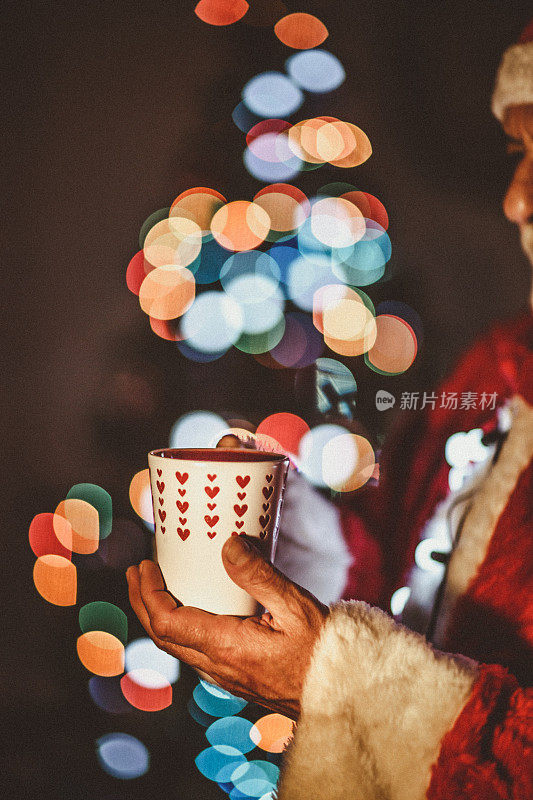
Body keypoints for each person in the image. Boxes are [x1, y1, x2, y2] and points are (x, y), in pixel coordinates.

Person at [127, 21, 533, 800]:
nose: (515, 199)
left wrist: (343, 681)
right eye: (518, 154)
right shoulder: (499, 361)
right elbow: (417, 587)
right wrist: (304, 556)